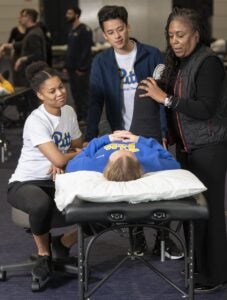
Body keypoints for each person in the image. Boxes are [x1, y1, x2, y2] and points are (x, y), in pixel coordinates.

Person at [139, 7, 227, 293]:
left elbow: (204, 108)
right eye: (170, 35)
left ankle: (216, 275)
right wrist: (171, 136)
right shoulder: (181, 63)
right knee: (193, 212)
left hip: (210, 147)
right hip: (189, 148)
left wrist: (165, 99)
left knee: (210, 212)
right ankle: (200, 266)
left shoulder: (208, 63)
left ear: (196, 34)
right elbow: (179, 107)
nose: (175, 41)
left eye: (181, 34)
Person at [85, 5, 182, 259]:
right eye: (110, 32)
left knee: (159, 185)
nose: (117, 35)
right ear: (104, 35)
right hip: (120, 131)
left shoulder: (151, 55)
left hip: (149, 130)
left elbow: (161, 98)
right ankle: (136, 237)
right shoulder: (101, 62)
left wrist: (162, 132)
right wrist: (90, 137)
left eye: (120, 29)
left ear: (128, 27)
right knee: (128, 185)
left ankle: (164, 238)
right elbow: (95, 103)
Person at [7, 61, 83, 284]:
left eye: (61, 86)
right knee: (40, 204)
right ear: (40, 95)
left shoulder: (68, 112)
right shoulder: (36, 120)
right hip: (26, 183)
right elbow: (63, 156)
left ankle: (63, 243)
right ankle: (44, 255)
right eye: (52, 91)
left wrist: (65, 155)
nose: (60, 93)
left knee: (100, 206)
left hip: (57, 181)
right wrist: (64, 156)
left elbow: (79, 145)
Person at [66, 130, 180, 175]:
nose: (123, 148)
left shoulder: (95, 164)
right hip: (137, 135)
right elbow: (173, 162)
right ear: (137, 161)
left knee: (103, 126)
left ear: (108, 163)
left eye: (117, 151)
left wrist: (107, 138)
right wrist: (139, 139)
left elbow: (73, 163)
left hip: (109, 135)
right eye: (127, 151)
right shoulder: (149, 163)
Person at [0, 9, 47, 86]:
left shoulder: (34, 34)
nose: (20, 18)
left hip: (32, 73)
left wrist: (21, 59)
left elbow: (38, 55)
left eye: (22, 16)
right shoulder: (32, 31)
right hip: (30, 73)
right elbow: (22, 44)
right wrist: (6, 45)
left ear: (28, 18)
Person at [64, 6, 93, 124]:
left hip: (81, 70)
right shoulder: (72, 30)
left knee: (83, 94)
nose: (67, 15)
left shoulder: (85, 30)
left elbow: (87, 50)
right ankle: (80, 116)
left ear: (76, 15)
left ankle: (87, 117)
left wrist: (82, 68)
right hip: (71, 69)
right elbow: (70, 50)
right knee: (75, 94)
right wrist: (66, 66)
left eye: (69, 13)